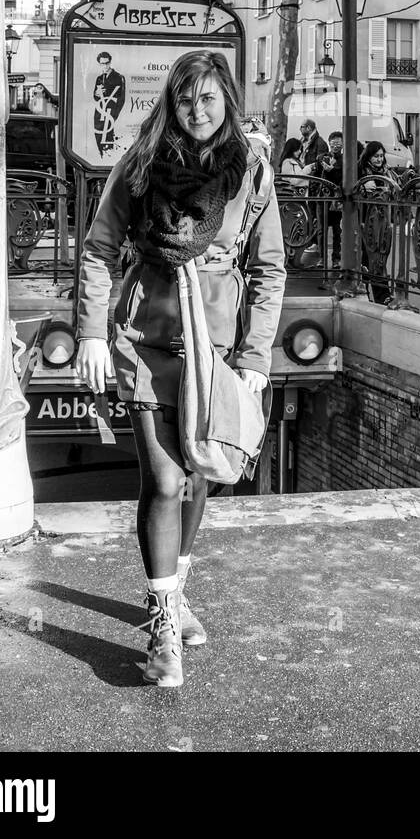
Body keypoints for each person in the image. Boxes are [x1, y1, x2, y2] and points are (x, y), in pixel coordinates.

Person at [75, 50, 286, 688]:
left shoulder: (251, 171)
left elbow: (269, 268)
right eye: (186, 98)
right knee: (164, 484)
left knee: (202, 480)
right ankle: (163, 622)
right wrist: (90, 331)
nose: (198, 110)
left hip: (217, 354)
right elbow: (99, 249)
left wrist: (253, 356)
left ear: (227, 99)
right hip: (148, 344)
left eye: (209, 97)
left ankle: (178, 587)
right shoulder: (139, 165)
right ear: (173, 101)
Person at [358, 141, 398, 303]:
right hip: (363, 220)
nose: (379, 159)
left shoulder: (388, 172)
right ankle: (378, 294)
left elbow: (397, 190)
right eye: (376, 156)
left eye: (381, 156)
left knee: (378, 258)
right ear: (368, 156)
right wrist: (362, 185)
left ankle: (379, 294)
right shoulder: (359, 170)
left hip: (382, 222)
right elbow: (346, 188)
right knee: (369, 258)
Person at [317, 130, 344, 267]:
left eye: (338, 144)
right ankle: (322, 258)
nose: (335, 147)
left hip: (337, 199)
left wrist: (332, 170)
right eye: (333, 144)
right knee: (321, 229)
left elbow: (343, 179)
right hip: (323, 198)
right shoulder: (321, 157)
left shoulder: (345, 160)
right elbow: (316, 177)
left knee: (337, 231)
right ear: (329, 143)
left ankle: (336, 259)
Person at [93, 51, 126, 158]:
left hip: (111, 109)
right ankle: (101, 154)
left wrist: (115, 113)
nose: (105, 66)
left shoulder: (119, 77)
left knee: (108, 132)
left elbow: (122, 97)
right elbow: (95, 96)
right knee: (98, 131)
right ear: (99, 64)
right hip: (100, 109)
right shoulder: (99, 78)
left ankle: (108, 154)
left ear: (110, 62)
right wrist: (97, 94)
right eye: (102, 63)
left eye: (107, 63)